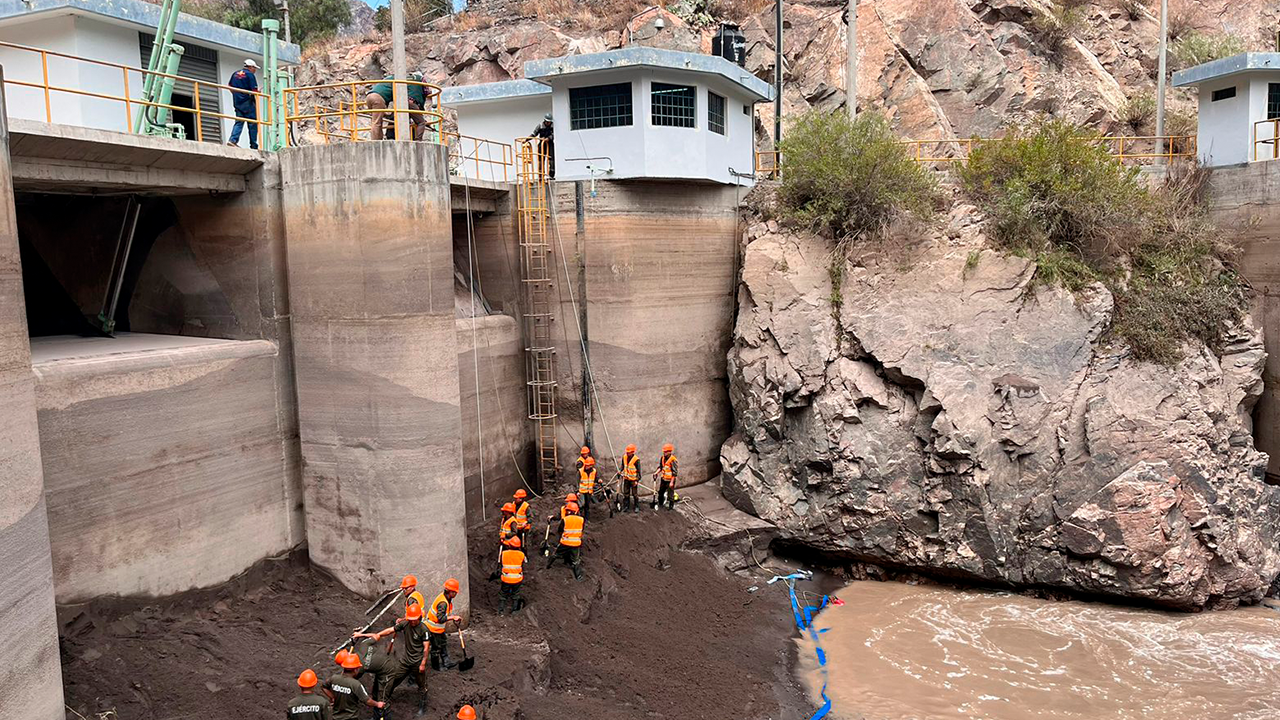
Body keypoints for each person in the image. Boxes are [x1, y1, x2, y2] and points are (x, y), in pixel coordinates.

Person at [359, 604, 428, 716]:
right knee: (394, 678)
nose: (412, 622)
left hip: (418, 661)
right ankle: (385, 700)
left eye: (414, 620)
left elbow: (426, 647)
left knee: (421, 684)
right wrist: (379, 634)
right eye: (410, 619)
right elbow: (390, 630)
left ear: (419, 617)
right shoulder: (405, 624)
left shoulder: (424, 629)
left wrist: (423, 663)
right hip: (406, 660)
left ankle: (423, 704)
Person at [324, 652, 386, 720]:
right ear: (356, 670)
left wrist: (332, 697)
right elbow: (367, 701)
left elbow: (324, 686)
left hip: (336, 718)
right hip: (350, 718)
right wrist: (378, 704)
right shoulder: (356, 685)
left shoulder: (334, 678)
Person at [367, 71, 427, 141]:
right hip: (378, 98)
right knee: (377, 122)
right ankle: (376, 142)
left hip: (369, 96)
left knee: (377, 121)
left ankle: (379, 139)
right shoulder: (399, 81)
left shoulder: (388, 80)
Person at [426, 578, 465, 670]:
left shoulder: (446, 598)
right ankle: (436, 666)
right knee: (436, 647)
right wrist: (453, 617)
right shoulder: (443, 602)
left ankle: (446, 662)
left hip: (438, 628)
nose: (456, 594)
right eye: (455, 592)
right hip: (433, 628)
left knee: (443, 642)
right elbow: (440, 619)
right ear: (450, 591)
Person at [546, 503, 584, 581]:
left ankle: (548, 566)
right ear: (576, 511)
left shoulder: (565, 519)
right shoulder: (581, 519)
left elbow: (560, 530)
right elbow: (581, 529)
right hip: (576, 543)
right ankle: (578, 577)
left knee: (556, 554)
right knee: (576, 560)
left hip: (565, 542)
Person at [227, 59, 259, 150]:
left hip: (237, 102)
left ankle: (232, 140)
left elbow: (229, 86)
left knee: (239, 122)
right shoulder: (250, 75)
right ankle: (253, 146)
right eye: (254, 68)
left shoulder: (235, 74)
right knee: (253, 124)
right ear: (251, 67)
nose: (255, 70)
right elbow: (254, 91)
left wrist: (237, 95)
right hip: (248, 103)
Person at [498, 536, 527, 615]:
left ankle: (501, 611)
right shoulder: (521, 554)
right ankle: (515, 610)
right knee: (516, 594)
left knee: (503, 594)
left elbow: (501, 563)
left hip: (506, 578)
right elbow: (525, 562)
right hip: (517, 579)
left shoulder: (504, 553)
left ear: (509, 545)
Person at [652, 443, 678, 510]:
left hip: (670, 480)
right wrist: (656, 473)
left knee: (670, 494)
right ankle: (660, 504)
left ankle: (671, 507)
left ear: (669, 452)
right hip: (663, 479)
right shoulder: (662, 458)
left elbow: (674, 472)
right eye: (664, 451)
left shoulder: (673, 460)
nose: (664, 453)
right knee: (661, 492)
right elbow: (661, 467)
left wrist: (672, 482)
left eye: (665, 452)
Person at [618, 444, 642, 513]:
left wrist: (637, 480)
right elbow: (623, 466)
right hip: (626, 479)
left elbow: (638, 471)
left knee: (635, 494)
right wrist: (620, 471)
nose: (627, 453)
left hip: (633, 480)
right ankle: (626, 506)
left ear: (632, 452)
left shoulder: (636, 460)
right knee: (626, 493)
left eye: (629, 452)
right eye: (627, 452)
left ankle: (636, 506)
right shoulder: (624, 457)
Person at [531, 113, 554, 178]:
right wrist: (527, 140)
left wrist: (549, 138)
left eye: (549, 122)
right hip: (542, 144)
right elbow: (534, 134)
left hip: (550, 144)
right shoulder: (540, 126)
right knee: (541, 159)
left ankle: (551, 175)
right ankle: (540, 175)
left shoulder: (553, 126)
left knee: (551, 159)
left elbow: (555, 134)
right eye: (547, 122)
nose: (548, 123)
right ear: (544, 120)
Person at [577, 456, 597, 521]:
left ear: (591, 465)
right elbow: (577, 482)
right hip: (581, 491)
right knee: (581, 504)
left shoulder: (594, 471)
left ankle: (586, 519)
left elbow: (596, 478)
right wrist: (577, 491)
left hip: (589, 492)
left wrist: (599, 480)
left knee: (587, 506)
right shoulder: (580, 471)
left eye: (588, 465)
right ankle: (579, 517)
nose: (587, 466)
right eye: (586, 465)